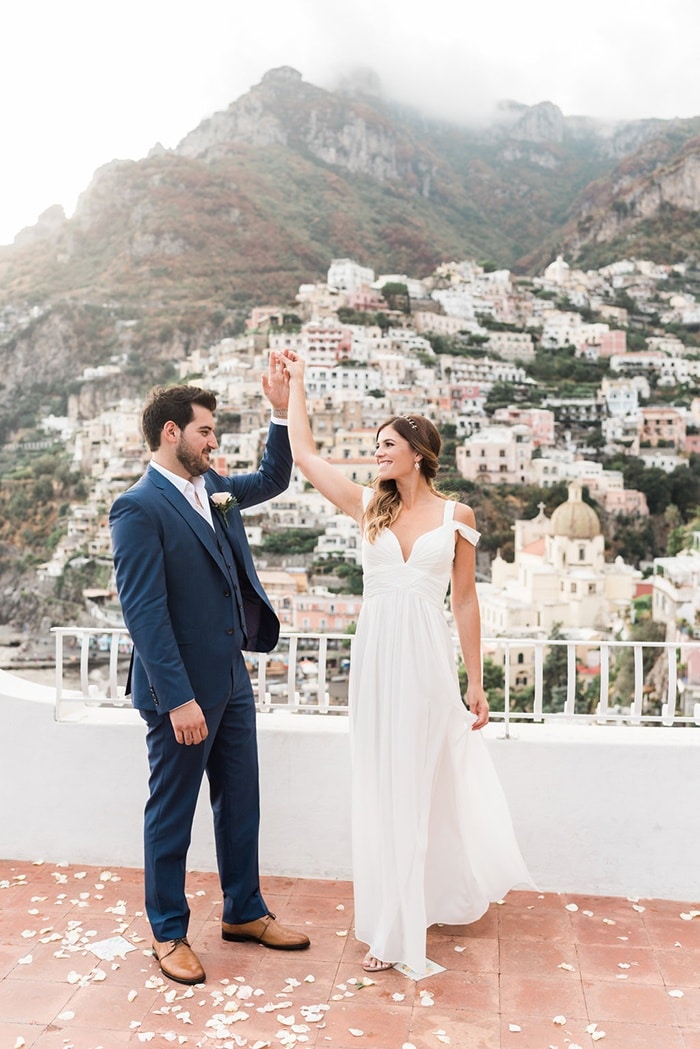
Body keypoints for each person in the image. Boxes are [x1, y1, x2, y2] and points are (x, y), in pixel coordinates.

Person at [282, 355, 533, 975]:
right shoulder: (371, 507)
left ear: (418, 452)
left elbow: (467, 602)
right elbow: (308, 458)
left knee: (417, 783)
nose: (377, 455)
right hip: (375, 659)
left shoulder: (458, 518)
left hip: (424, 662)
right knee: (379, 782)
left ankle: (409, 914)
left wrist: (475, 683)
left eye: (386, 446)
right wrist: (297, 389)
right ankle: (390, 915)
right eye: (375, 447)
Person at [109, 356, 310, 987]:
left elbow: (276, 476)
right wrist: (178, 699)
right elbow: (144, 613)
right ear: (171, 433)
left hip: (231, 680)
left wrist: (281, 409)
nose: (213, 441)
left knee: (240, 802)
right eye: (205, 432)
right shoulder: (137, 508)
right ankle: (168, 932)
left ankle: (244, 912)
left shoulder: (215, 488)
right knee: (171, 812)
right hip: (182, 694)